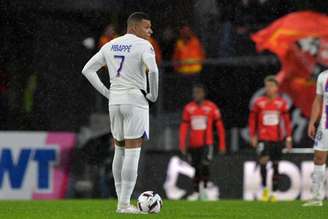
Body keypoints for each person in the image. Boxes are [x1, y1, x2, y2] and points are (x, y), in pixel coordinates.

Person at [82, 12, 159, 214]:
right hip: (135, 100)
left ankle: (121, 202)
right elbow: (154, 70)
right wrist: (153, 95)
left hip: (115, 101)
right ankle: (123, 204)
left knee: (119, 150)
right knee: (133, 151)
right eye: (147, 27)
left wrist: (107, 92)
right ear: (133, 27)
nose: (150, 31)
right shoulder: (144, 46)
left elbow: (87, 70)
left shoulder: (110, 44)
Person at [249, 75, 292, 202]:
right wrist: (253, 135)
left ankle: (275, 191)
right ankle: (264, 190)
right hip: (263, 138)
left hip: (277, 138)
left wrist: (288, 138)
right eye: (267, 86)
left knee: (276, 165)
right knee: (263, 161)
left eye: (271, 86)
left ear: (276, 88)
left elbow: (287, 122)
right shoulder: (259, 103)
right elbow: (252, 120)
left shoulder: (281, 103)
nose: (268, 88)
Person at [179, 84, 226, 200]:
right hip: (193, 144)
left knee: (204, 165)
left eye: (199, 92)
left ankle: (204, 190)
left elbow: (219, 126)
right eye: (195, 93)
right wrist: (182, 144)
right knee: (195, 168)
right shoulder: (188, 108)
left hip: (207, 143)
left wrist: (222, 144)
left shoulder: (211, 107)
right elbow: (184, 127)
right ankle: (196, 192)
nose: (196, 95)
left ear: (204, 94)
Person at [303, 70, 328, 207]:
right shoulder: (323, 76)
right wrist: (312, 122)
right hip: (325, 125)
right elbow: (318, 100)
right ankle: (317, 197)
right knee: (318, 158)